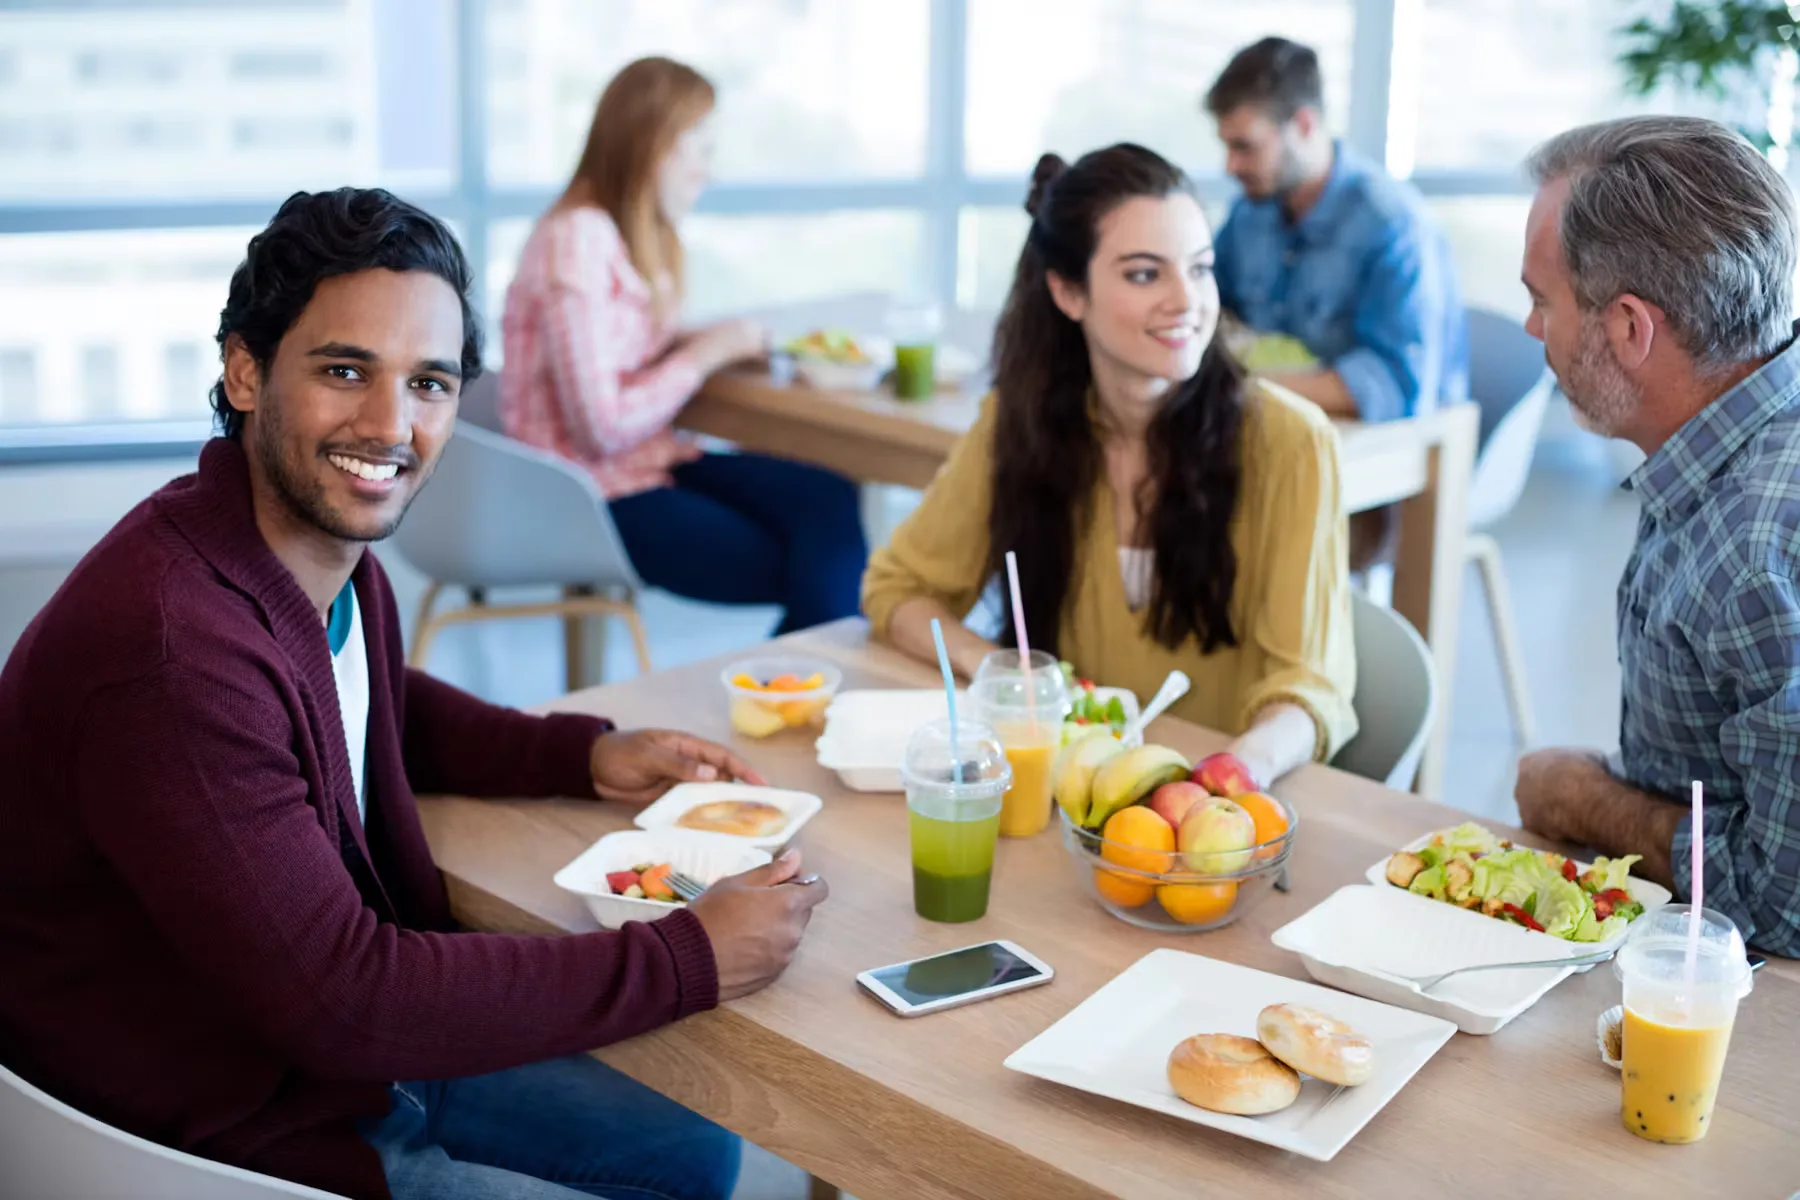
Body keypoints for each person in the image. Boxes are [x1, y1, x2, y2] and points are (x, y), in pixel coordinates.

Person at [0, 187, 829, 1200]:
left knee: (693, 1153)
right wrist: (688, 957)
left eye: (429, 383)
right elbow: (345, 999)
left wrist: (578, 753)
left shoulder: (309, 562)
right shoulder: (171, 652)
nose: (392, 424)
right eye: (346, 370)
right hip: (222, 1126)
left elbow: (363, 696)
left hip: (324, 1064)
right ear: (246, 371)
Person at [861, 145, 1358, 788]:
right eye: (1145, 275)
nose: (1187, 301)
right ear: (1068, 291)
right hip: (1060, 803)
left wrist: (1240, 768)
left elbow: (1310, 686)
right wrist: (1005, 674)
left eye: (1200, 269)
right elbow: (897, 589)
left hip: (1219, 812)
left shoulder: (1292, 443)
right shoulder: (1020, 423)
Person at [1512, 116, 1800, 957]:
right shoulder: (1725, 435)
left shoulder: (1758, 550)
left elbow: (1784, 906)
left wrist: (1587, 802)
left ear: (1631, 329)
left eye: (1542, 300)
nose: (1532, 330)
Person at [502, 56, 867, 634]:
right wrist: (704, 355)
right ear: (651, 146)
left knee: (830, 502)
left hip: (652, 461)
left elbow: (616, 348)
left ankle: (788, 698)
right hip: (594, 497)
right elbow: (601, 425)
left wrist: (704, 340)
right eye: (699, 148)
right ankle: (796, 701)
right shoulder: (574, 243)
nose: (706, 170)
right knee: (825, 567)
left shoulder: (614, 236)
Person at [1204, 36, 1467, 424]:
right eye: (1226, 147)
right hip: (1276, 425)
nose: (1230, 166)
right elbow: (1207, 304)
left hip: (1384, 445)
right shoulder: (1249, 213)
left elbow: (1397, 385)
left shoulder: (1393, 225)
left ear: (1304, 124)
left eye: (1245, 147)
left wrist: (1243, 385)